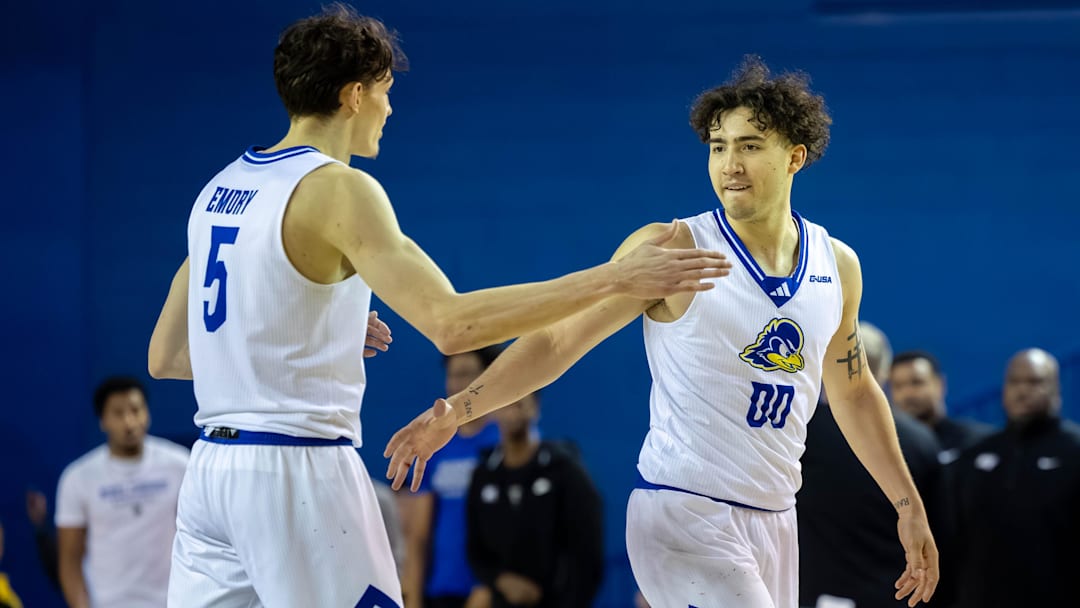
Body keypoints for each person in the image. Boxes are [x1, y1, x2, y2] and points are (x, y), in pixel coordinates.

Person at [146, 6, 728, 607]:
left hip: (210, 477)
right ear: (353, 95)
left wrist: (320, 339)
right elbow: (455, 325)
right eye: (385, 92)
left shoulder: (219, 191)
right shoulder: (339, 189)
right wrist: (614, 277)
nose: (389, 109)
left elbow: (167, 356)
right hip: (296, 473)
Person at [386, 56, 939, 608]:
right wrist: (460, 410)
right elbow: (558, 342)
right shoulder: (674, 247)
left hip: (775, 520)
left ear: (795, 156)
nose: (729, 164)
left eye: (749, 145)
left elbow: (854, 389)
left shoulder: (836, 264)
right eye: (718, 147)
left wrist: (908, 508)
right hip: (683, 511)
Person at [798, 323, 946, 608]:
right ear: (886, 370)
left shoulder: (802, 429)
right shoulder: (923, 439)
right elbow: (939, 528)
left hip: (819, 592)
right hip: (900, 594)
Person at [949, 348, 1080, 608]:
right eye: (1015, 381)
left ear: (1055, 388)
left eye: (1034, 382)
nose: (1022, 391)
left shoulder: (1075, 451)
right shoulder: (976, 455)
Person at [55, 377, 189, 608]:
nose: (129, 422)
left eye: (136, 410)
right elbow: (70, 559)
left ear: (147, 413)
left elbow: (199, 540)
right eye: (118, 413)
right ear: (102, 420)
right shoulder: (78, 478)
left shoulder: (180, 465)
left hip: (171, 601)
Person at [466, 392, 604, 608]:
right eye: (505, 404)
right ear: (493, 410)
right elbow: (475, 550)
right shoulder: (483, 476)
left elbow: (587, 553)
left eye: (520, 403)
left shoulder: (564, 471)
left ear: (535, 408)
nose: (512, 412)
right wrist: (500, 580)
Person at [401, 347, 502, 608]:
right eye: (453, 375)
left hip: (490, 591)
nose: (459, 384)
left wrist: (488, 587)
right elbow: (418, 534)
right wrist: (413, 596)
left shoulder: (504, 440)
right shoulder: (435, 446)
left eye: (467, 374)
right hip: (440, 589)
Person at [889, 351, 993, 464]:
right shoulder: (888, 449)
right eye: (898, 386)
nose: (907, 394)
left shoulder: (975, 441)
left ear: (940, 384)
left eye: (917, 383)